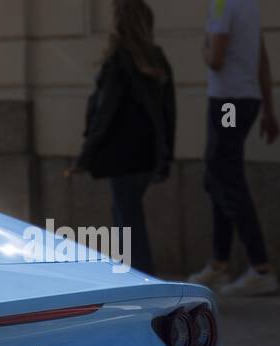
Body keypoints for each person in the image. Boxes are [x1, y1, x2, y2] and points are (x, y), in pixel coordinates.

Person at [66, 0, 175, 277]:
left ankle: (140, 280)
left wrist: (84, 157)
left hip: (122, 157)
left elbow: (104, 114)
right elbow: (169, 113)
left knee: (126, 222)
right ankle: (135, 276)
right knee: (129, 219)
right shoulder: (157, 58)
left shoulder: (118, 62)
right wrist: (166, 158)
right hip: (148, 156)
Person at [187, 0, 277, 296]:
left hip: (227, 103)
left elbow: (216, 59)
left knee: (226, 176)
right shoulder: (249, 5)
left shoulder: (223, 5)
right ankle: (219, 263)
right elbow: (262, 59)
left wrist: (203, 48)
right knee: (218, 176)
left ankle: (260, 267)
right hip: (246, 100)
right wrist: (268, 110)